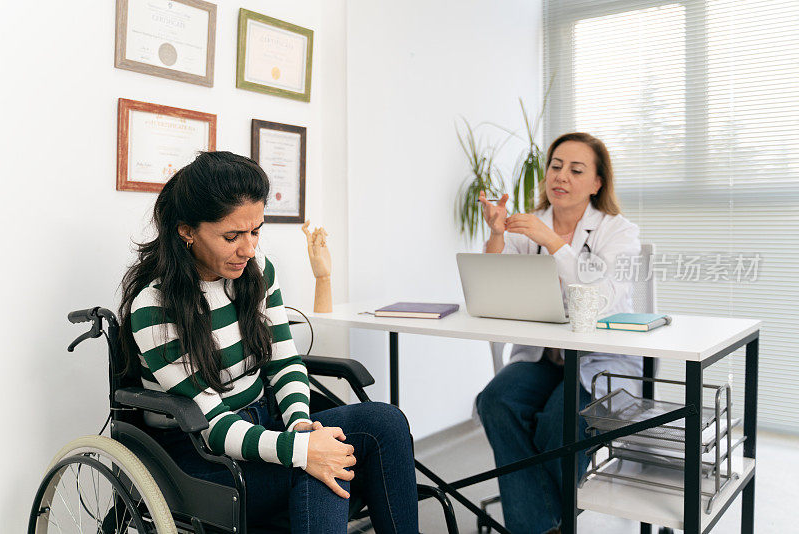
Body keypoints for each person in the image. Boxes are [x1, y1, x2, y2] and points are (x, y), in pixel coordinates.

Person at [118, 151, 419, 533]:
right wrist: (303, 452)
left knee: (385, 423)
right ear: (186, 231)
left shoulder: (256, 273)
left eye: (255, 231)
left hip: (267, 425)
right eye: (232, 236)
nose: (248, 249)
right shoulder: (154, 307)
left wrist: (300, 427)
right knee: (321, 468)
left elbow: (284, 361)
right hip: (201, 457)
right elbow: (211, 424)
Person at [475, 132, 642, 534]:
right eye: (555, 165)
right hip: (544, 357)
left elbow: (602, 298)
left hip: (600, 364)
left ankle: (536, 525)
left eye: (576, 169)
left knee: (559, 418)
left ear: (597, 184)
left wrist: (552, 243)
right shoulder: (524, 228)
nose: (560, 176)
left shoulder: (618, 232)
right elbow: (493, 290)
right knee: (496, 400)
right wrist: (498, 233)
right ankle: (546, 526)